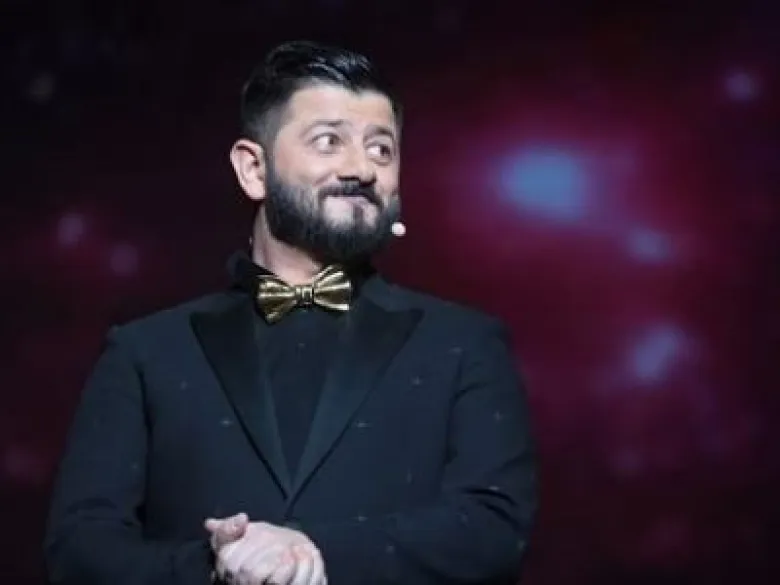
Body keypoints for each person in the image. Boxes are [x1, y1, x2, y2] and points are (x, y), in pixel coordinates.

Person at [43, 40, 538, 585]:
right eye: (329, 141)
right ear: (253, 169)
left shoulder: (463, 344)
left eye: (381, 149)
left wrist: (313, 551)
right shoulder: (145, 353)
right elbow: (80, 549)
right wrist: (219, 567)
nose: (362, 168)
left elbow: (493, 532)